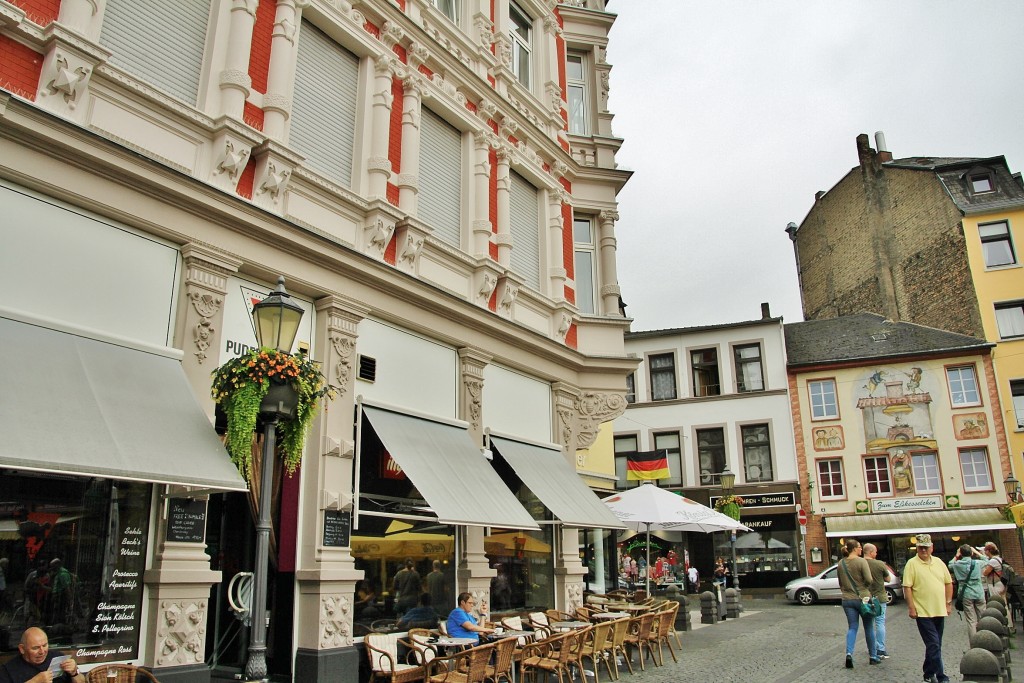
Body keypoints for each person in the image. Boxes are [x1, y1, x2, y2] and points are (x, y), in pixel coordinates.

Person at [903, 533, 953, 683]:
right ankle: (941, 676)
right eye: (920, 548)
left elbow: (948, 583)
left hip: (939, 610)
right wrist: (911, 607)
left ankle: (928, 672)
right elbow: (907, 587)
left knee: (936, 644)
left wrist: (948, 603)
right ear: (916, 549)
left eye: (926, 547)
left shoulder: (939, 562)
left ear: (932, 548)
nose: (923, 550)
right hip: (922, 611)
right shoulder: (911, 564)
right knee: (933, 643)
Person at [836, 538, 878, 668]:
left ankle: (849, 653)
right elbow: (869, 579)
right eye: (859, 547)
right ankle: (873, 656)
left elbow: (840, 582)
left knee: (852, 627)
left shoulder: (841, 563)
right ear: (854, 548)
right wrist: (863, 588)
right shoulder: (861, 562)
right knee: (869, 627)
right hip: (863, 599)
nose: (861, 549)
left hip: (847, 599)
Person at [0, 627, 85, 683]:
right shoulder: (9, 670)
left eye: (44, 645)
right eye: (35, 648)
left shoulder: (58, 658)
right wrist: (35, 682)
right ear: (22, 649)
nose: (42, 651)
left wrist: (75, 672)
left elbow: (82, 681)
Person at [948, 543, 986, 636]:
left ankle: (974, 643)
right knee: (983, 618)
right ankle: (985, 639)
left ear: (961, 554)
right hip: (978, 592)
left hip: (965, 593)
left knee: (971, 621)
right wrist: (976, 551)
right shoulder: (977, 563)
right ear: (971, 553)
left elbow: (950, 564)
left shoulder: (957, 564)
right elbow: (986, 560)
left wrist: (957, 555)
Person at [862, 543, 889, 659]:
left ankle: (871, 648)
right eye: (875, 551)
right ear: (871, 552)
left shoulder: (859, 563)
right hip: (880, 597)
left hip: (865, 598)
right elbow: (888, 579)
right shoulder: (879, 564)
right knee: (880, 623)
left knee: (868, 624)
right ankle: (881, 649)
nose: (876, 553)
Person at [981, 542, 1015, 631]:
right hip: (1001, 584)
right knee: (1004, 604)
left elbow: (985, 572)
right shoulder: (999, 559)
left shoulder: (992, 561)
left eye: (985, 550)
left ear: (988, 551)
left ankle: (1002, 624)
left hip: (995, 584)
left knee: (997, 604)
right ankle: (1009, 624)